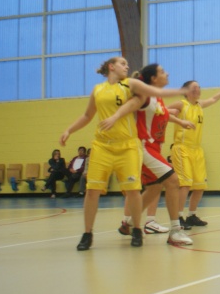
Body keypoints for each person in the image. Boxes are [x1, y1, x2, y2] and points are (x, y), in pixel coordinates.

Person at [59, 56, 187, 251]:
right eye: (123, 63)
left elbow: (153, 101)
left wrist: (181, 99)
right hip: (112, 145)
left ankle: (132, 226)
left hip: (128, 145)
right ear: (112, 66)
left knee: (145, 188)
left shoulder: (131, 85)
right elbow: (87, 115)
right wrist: (69, 129)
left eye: (128, 63)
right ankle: (88, 233)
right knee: (93, 190)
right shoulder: (98, 90)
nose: (127, 66)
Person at [102, 64, 195, 246]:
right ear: (153, 78)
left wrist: (181, 121)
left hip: (154, 148)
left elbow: (164, 114)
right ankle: (175, 230)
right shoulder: (144, 96)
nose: (167, 73)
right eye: (162, 71)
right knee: (174, 181)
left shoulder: (157, 97)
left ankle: (128, 224)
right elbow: (127, 106)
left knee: (153, 188)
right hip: (144, 147)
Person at [169, 77, 220, 228]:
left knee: (200, 185)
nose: (198, 90)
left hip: (197, 149)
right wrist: (176, 118)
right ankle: (178, 217)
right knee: (185, 184)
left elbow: (214, 98)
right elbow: (161, 112)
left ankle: (191, 215)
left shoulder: (200, 105)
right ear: (186, 91)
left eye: (199, 87)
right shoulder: (181, 104)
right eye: (194, 88)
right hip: (182, 148)